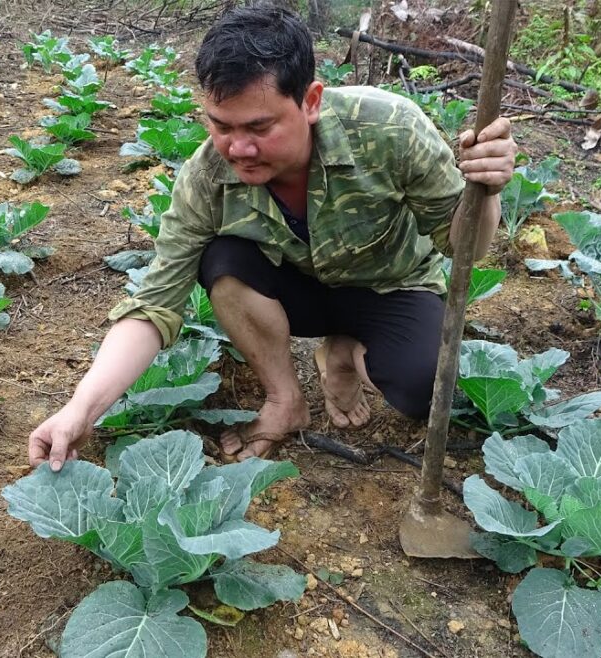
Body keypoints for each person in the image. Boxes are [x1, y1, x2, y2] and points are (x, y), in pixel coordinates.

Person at [28, 5, 516, 470]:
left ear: (310, 101)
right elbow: (154, 305)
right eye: (221, 126)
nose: (238, 148)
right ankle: (285, 398)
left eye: (259, 127)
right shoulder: (206, 177)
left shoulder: (391, 128)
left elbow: (464, 249)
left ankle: (344, 351)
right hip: (294, 290)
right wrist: (80, 409)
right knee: (222, 258)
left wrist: (486, 191)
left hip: (391, 286)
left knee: (424, 391)